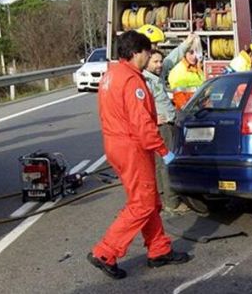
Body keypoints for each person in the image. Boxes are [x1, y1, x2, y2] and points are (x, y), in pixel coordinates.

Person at [88, 30, 190, 279]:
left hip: (116, 144)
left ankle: (158, 249)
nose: (149, 56)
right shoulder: (133, 82)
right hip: (132, 147)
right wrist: (164, 150)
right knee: (142, 204)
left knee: (149, 201)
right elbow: (143, 124)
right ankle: (105, 251)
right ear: (137, 53)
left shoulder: (111, 75)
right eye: (147, 52)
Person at [138, 25, 196, 213]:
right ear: (146, 62)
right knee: (165, 163)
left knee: (159, 163)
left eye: (159, 61)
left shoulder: (157, 74)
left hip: (166, 122)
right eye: (155, 61)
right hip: (161, 126)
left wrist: (186, 44)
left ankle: (163, 198)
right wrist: (154, 118)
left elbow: (171, 60)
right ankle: (172, 202)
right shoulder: (144, 80)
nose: (159, 64)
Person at [168, 40, 205, 109]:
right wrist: (188, 112)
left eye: (197, 53)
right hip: (188, 113)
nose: (194, 56)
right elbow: (179, 98)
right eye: (191, 53)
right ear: (184, 53)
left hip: (200, 111)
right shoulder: (178, 71)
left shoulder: (197, 69)